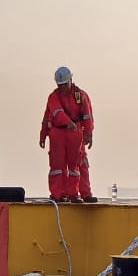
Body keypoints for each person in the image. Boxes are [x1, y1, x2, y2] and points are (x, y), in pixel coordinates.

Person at [40, 66, 95, 202]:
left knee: (77, 164)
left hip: (75, 132)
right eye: (60, 85)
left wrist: (88, 133)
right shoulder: (54, 97)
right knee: (57, 165)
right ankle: (58, 194)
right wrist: (43, 134)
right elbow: (53, 114)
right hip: (58, 133)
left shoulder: (80, 96)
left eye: (65, 84)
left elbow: (87, 116)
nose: (63, 87)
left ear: (71, 80)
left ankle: (79, 194)